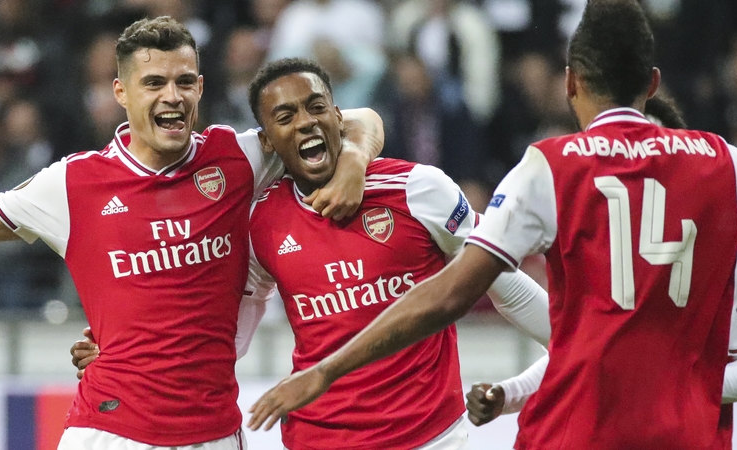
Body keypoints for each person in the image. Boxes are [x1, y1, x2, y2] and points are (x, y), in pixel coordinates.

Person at [246, 2, 737, 448]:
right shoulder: (722, 165)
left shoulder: (547, 168)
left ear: (571, 83)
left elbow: (458, 293)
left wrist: (325, 371)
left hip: (561, 430)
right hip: (684, 433)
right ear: (653, 82)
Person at [73, 57, 550, 449]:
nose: (305, 123)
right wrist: (131, 349)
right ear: (270, 141)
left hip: (432, 438)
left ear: (337, 115)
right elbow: (229, 322)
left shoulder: (418, 188)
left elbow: (506, 287)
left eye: (315, 106)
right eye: (285, 117)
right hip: (317, 439)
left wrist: (534, 370)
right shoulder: (262, 222)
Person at [0, 16, 383, 450]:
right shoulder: (73, 184)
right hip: (109, 432)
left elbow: (360, 117)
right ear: (121, 93)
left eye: (184, 82)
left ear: (201, 88)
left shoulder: (237, 157)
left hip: (213, 433)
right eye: (153, 83)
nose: (172, 96)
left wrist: (355, 162)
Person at [465, 97, 737, 441]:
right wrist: (509, 393)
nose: (637, 158)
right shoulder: (600, 244)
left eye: (653, 142)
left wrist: (681, 384)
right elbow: (578, 352)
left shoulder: (724, 253)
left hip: (684, 436)